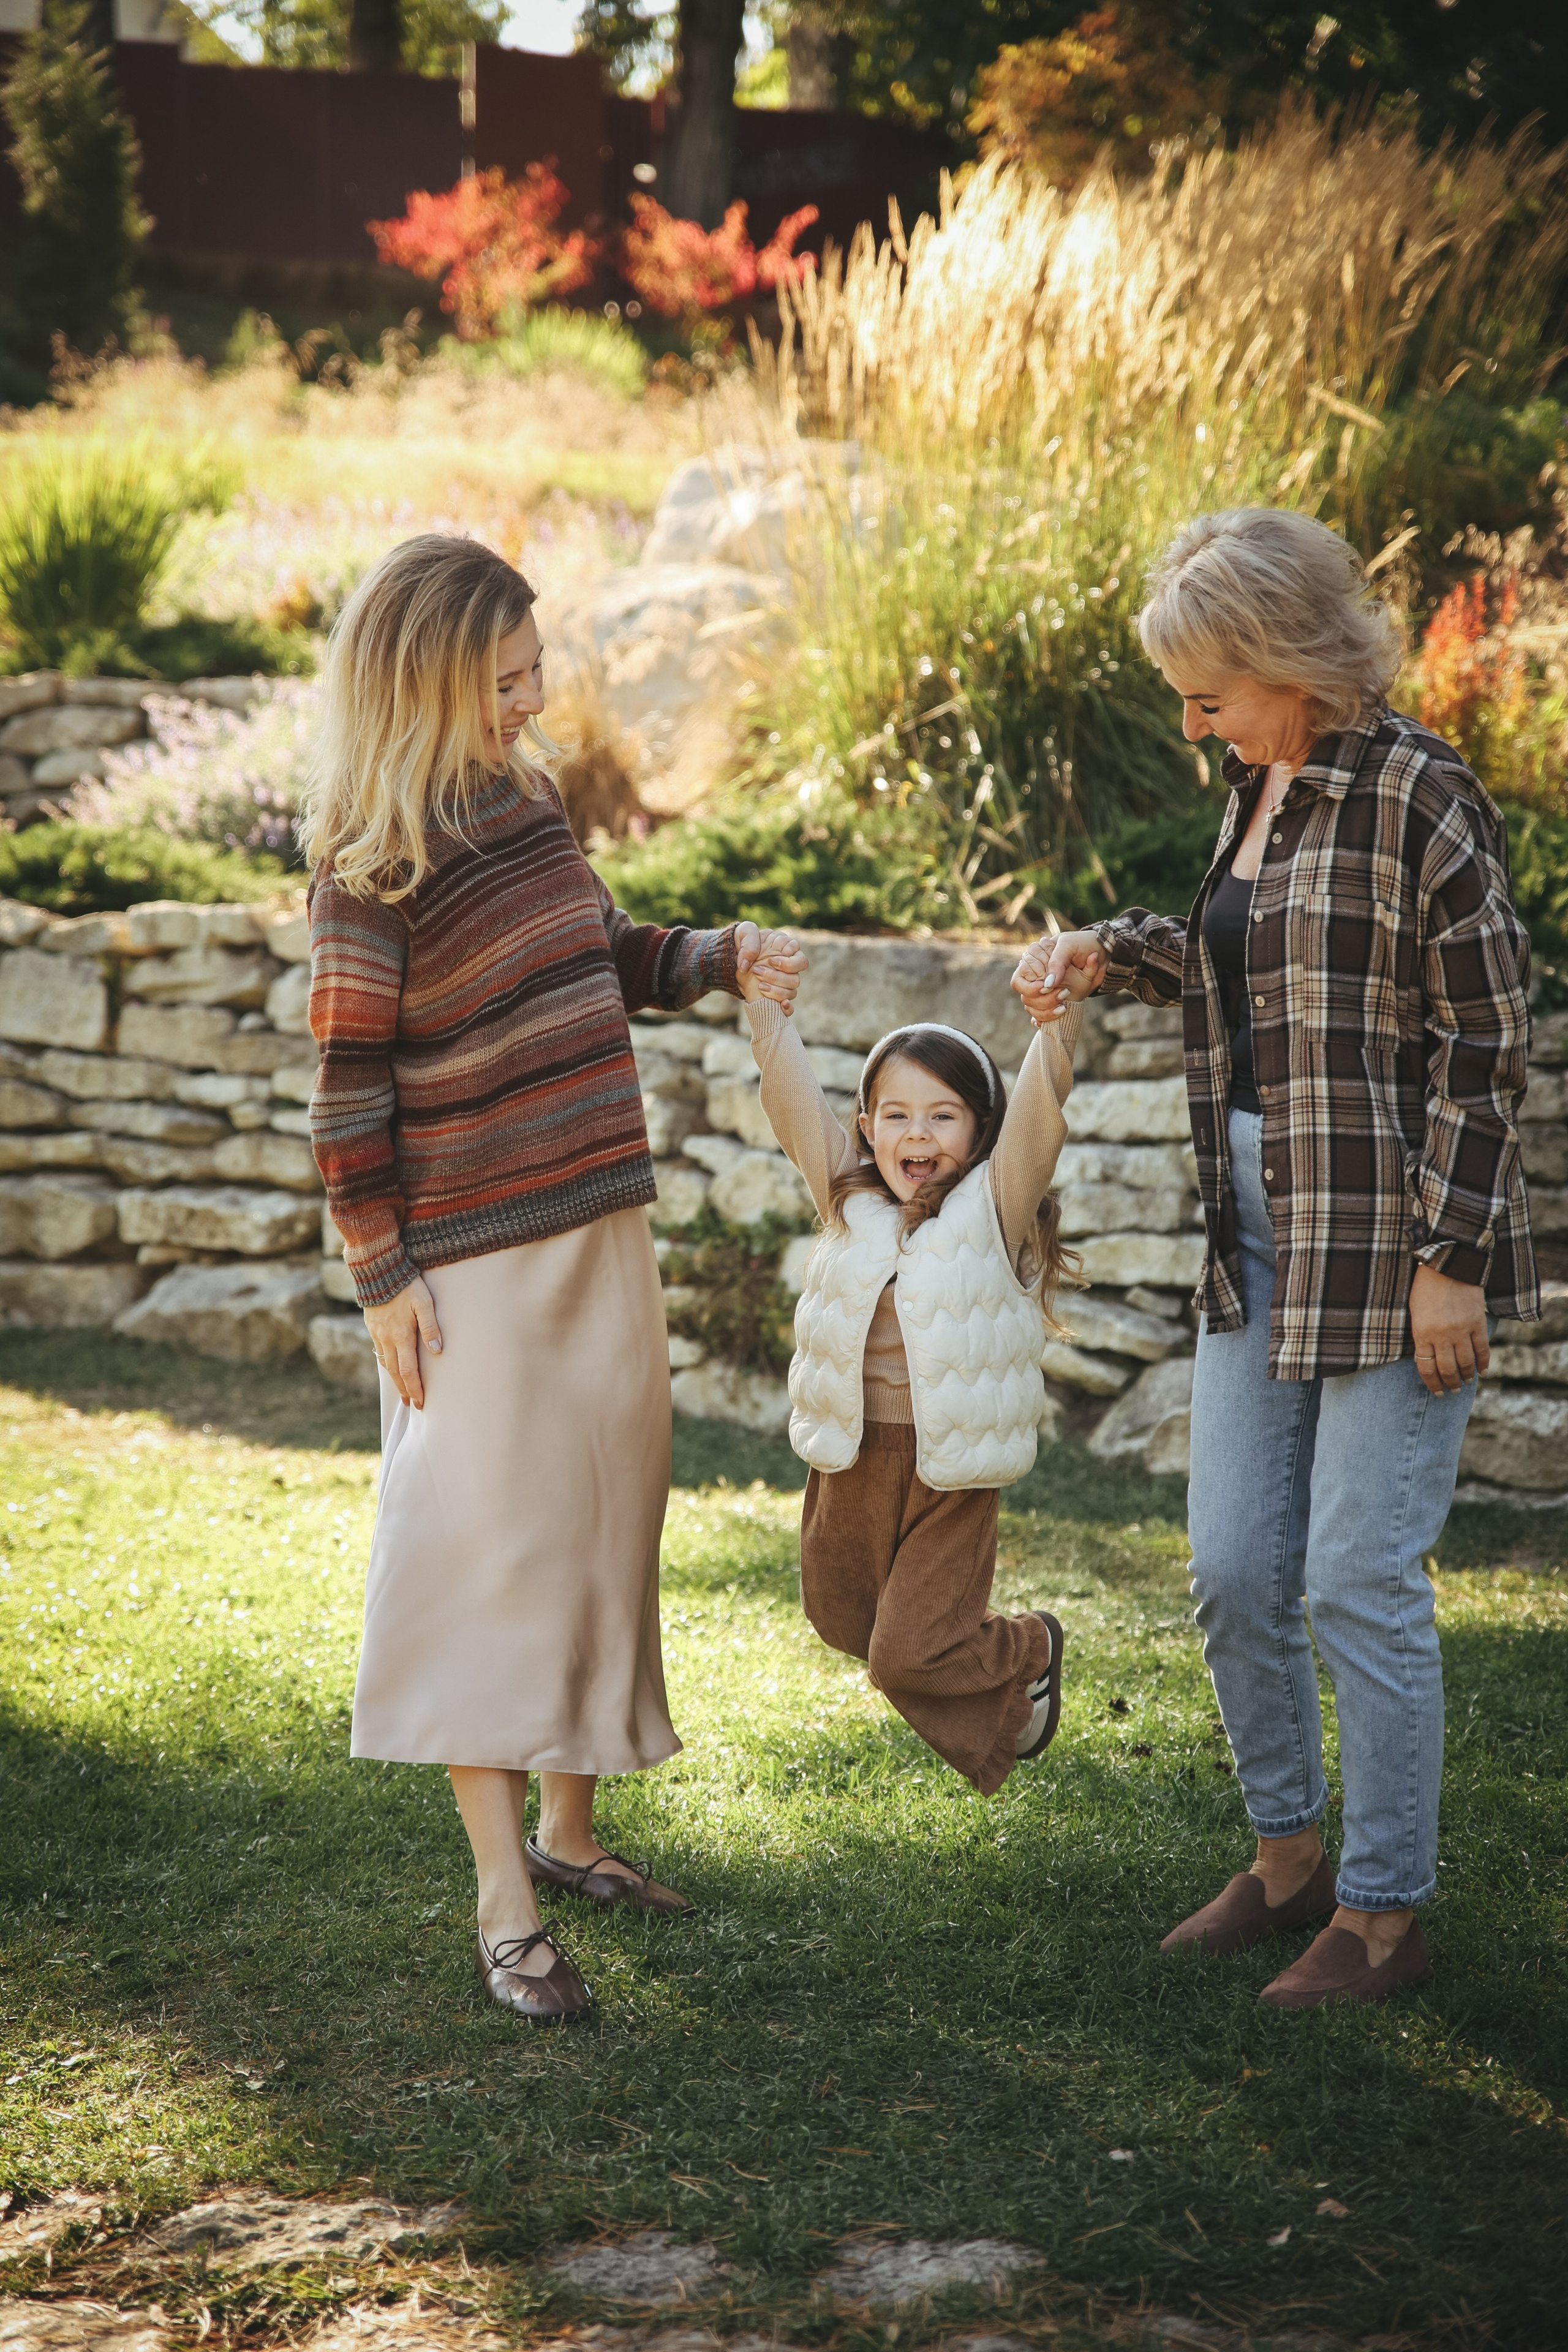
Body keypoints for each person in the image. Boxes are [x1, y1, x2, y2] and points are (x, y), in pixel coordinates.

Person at [1014, 505, 1537, 2010]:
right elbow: (1256, 965)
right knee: (1235, 1568)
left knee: (1353, 1578)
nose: (1194, 727)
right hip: (1249, 1236)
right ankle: (1287, 1857)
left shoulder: (1419, 794)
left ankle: (1380, 1918)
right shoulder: (1262, 779)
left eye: (1209, 696)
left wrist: (1450, 1256)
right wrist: (1108, 950)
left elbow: (1487, 1043)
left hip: (1389, 1243)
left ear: (1291, 660)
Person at [301, 533, 805, 2026]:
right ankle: (502, 1904)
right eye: (505, 681)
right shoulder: (367, 860)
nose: (532, 702)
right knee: (492, 1567)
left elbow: (602, 950)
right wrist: (381, 1272)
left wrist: (715, 955)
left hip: (600, 1231)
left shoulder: (524, 800)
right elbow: (345, 1090)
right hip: (471, 1269)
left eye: (534, 671)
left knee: (603, 1531)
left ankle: (571, 1836)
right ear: (423, 681)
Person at [749, 993, 1080, 1793]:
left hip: (950, 1470)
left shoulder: (994, 1207)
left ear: (982, 1132)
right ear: (867, 1128)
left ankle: (1030, 1648)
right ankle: (1007, 1692)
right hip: (852, 1457)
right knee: (841, 1621)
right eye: (896, 1116)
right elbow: (794, 1106)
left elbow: (1041, 1112)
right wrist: (764, 1008)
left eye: (943, 1116)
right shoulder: (849, 1198)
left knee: (905, 1655)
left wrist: (1059, 1017)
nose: (918, 1135)